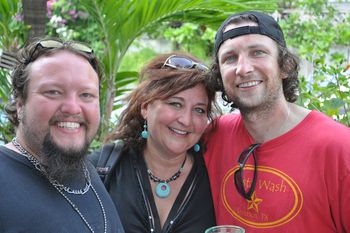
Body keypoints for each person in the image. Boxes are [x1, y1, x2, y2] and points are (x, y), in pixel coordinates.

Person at [204, 11, 350, 232]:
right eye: (230, 58)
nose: (243, 68)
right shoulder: (213, 137)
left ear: (285, 66)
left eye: (258, 52)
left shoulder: (339, 148)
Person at [0, 38, 124, 233]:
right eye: (54, 92)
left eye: (86, 95)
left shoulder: (85, 169)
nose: (73, 108)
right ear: (20, 105)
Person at [89, 52, 217, 232]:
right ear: (145, 107)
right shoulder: (100, 169)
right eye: (175, 104)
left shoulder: (215, 177)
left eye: (199, 110)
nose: (186, 120)